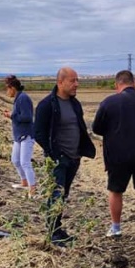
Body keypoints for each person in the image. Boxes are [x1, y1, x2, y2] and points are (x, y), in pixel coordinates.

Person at [92, 70, 135, 238]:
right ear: (134, 83)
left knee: (116, 191)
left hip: (118, 155)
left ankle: (116, 229)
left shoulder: (108, 103)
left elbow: (96, 128)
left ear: (117, 85)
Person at [34, 67, 96, 246]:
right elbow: (39, 133)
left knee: (64, 194)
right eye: (73, 80)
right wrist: (53, 153)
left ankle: (57, 229)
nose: (77, 84)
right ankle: (52, 233)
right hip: (58, 159)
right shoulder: (47, 105)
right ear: (60, 82)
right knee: (56, 194)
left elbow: (80, 127)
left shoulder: (75, 104)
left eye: (77, 80)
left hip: (74, 157)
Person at [2, 75, 36, 196]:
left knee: (25, 162)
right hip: (19, 136)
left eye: (7, 89)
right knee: (15, 160)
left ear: (12, 88)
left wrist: (12, 115)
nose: (6, 92)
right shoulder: (18, 98)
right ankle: (24, 182)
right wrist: (11, 115)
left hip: (26, 135)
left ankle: (32, 189)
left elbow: (27, 117)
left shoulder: (23, 98)